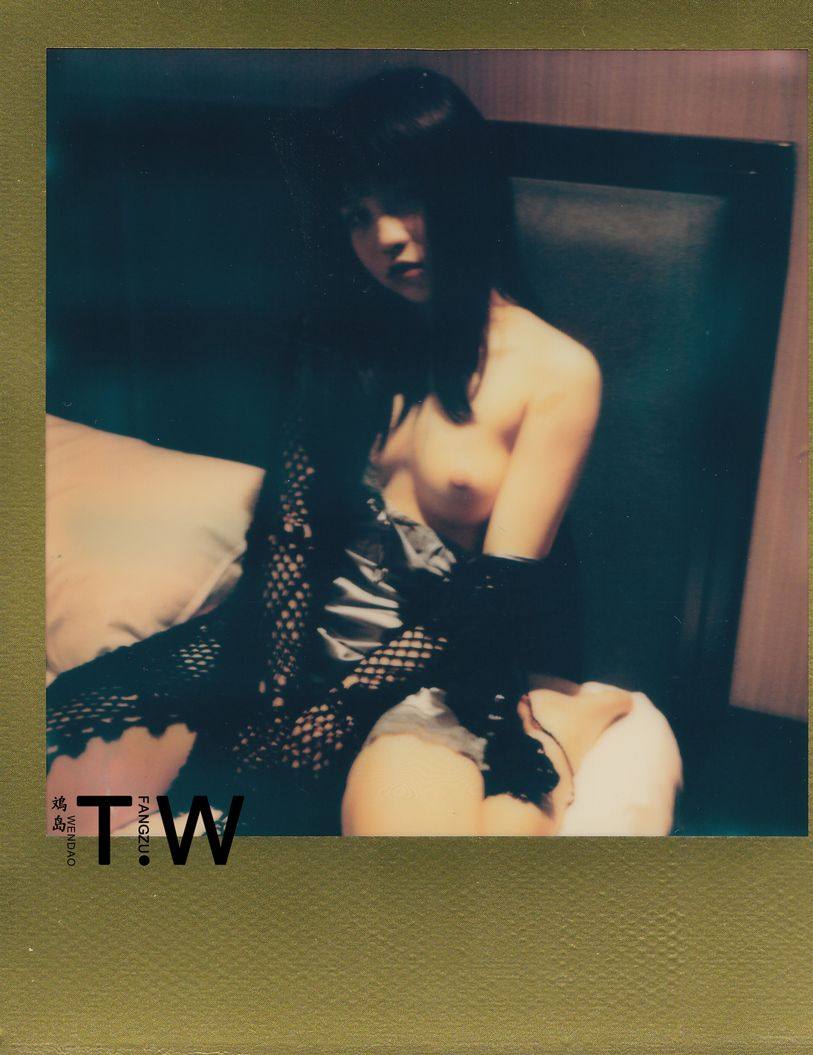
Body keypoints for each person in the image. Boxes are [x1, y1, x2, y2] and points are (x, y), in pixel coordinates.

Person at [46, 67, 634, 837]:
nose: (384, 237)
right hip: (292, 644)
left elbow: (493, 599)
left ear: (466, 191)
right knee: (62, 798)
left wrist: (337, 709)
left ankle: (561, 727)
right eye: (358, 215)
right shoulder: (343, 347)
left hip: (433, 670)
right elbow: (288, 538)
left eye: (406, 198)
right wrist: (274, 694)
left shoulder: (557, 370)